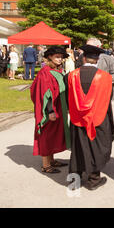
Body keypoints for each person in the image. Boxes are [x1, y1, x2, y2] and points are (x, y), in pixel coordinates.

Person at [67, 44, 114, 190]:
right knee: (96, 147)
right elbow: (108, 99)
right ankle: (93, 180)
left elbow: (68, 98)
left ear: (84, 58)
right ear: (97, 59)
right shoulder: (105, 77)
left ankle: (74, 179)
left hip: (78, 118)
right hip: (98, 117)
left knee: (78, 147)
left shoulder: (71, 75)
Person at [30, 46, 70, 174]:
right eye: (57, 57)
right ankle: (46, 165)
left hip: (59, 107)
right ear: (49, 57)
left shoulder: (58, 71)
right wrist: (50, 111)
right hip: (50, 109)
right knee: (47, 135)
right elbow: (45, 94)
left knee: (54, 134)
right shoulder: (45, 72)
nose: (60, 59)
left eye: (61, 57)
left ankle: (52, 160)